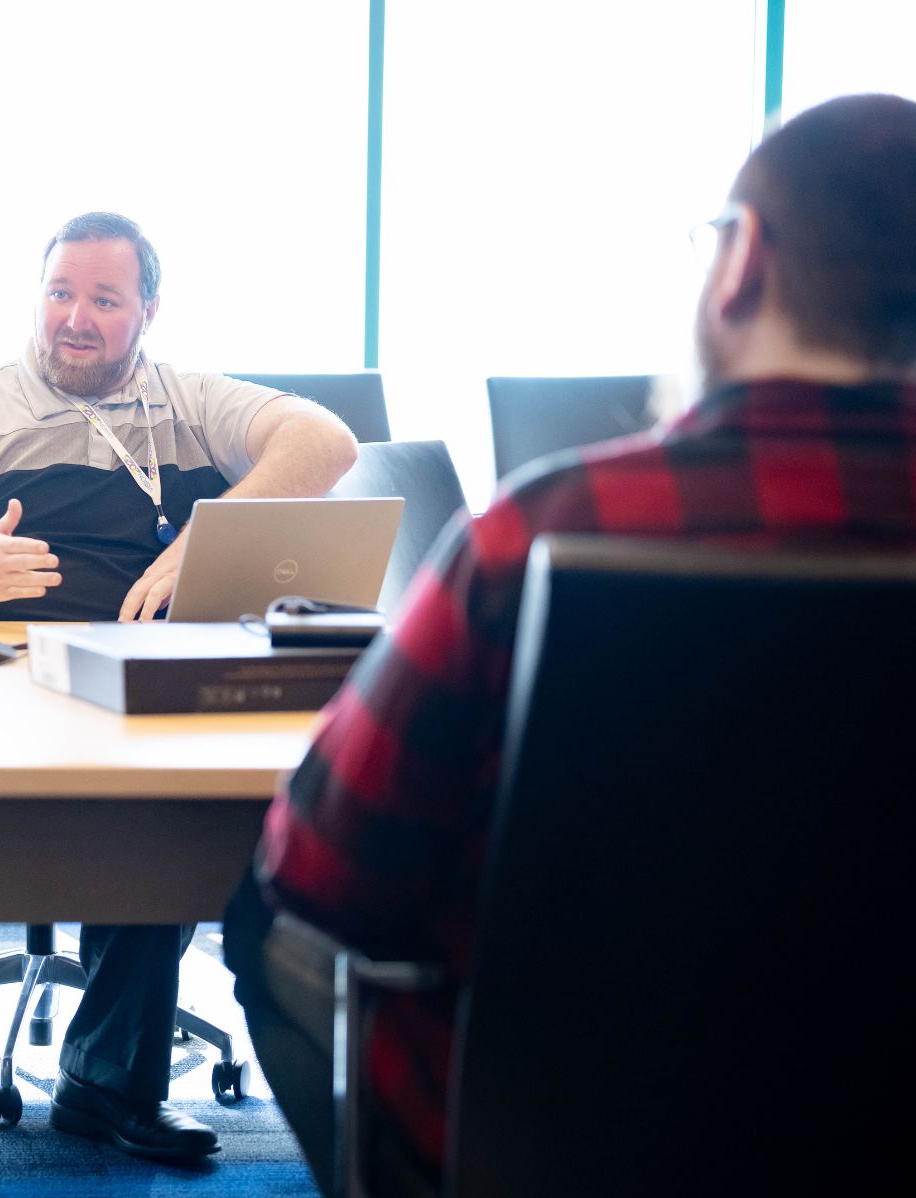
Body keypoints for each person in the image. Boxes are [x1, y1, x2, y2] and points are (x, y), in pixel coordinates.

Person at [223, 92, 916, 1197]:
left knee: (259, 909)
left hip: (562, 1140)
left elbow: (328, 871)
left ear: (738, 266)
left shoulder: (544, 530)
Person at [0, 211, 359, 1159]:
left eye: (104, 300)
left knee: (201, 793)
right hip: (13, 675)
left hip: (153, 676)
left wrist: (211, 532)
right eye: (59, 294)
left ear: (148, 312)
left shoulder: (187, 400)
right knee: (140, 796)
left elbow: (325, 442)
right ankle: (79, 1076)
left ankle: (118, 1073)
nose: (74, 319)